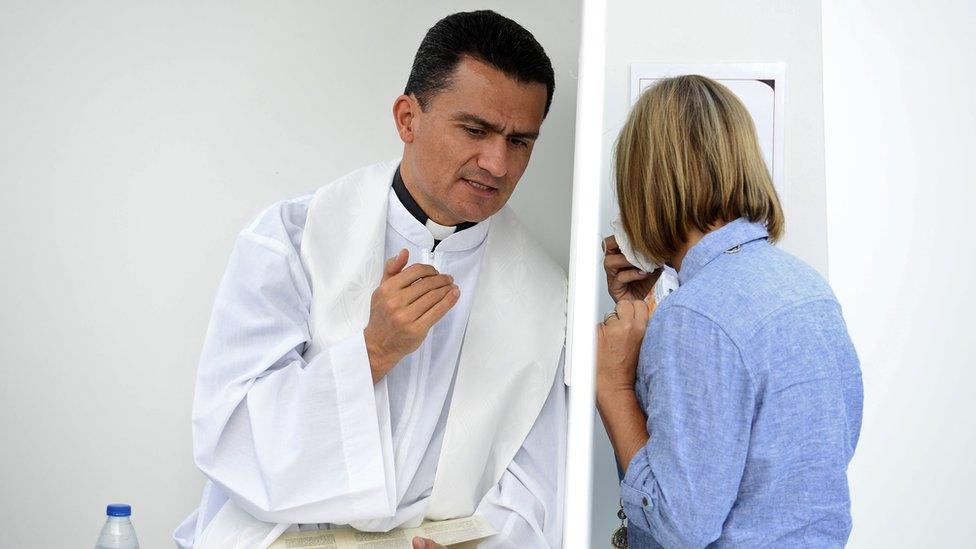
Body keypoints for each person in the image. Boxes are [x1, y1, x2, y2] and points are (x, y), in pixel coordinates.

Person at [173, 11, 568, 549]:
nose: (497, 163)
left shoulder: (546, 297)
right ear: (408, 118)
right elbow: (230, 438)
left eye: (520, 141)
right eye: (475, 130)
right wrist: (372, 352)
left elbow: (536, 486)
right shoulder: (293, 240)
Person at [596, 75, 863, 547]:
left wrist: (613, 385)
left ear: (647, 184)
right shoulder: (807, 287)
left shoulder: (696, 318)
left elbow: (680, 527)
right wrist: (642, 308)